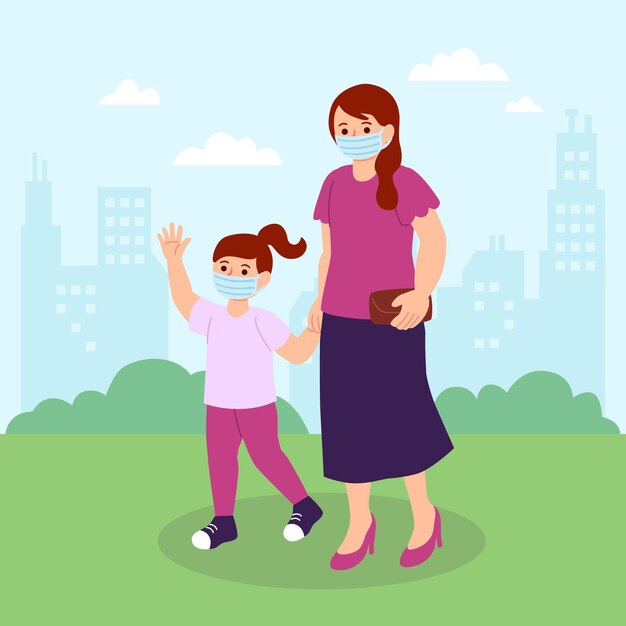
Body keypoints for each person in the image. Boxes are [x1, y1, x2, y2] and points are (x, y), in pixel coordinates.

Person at [308, 84, 454, 570]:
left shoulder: (405, 182)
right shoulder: (331, 184)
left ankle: (423, 517)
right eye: (343, 129)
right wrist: (318, 301)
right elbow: (329, 251)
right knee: (348, 423)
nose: (353, 136)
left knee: (401, 418)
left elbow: (433, 240)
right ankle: (359, 523)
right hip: (342, 321)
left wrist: (422, 292)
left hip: (394, 320)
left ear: (387, 131)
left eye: (363, 128)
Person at [158, 222, 323, 551]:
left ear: (262, 279)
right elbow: (184, 298)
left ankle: (305, 506)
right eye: (224, 268)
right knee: (219, 459)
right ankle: (224, 521)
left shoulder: (263, 320)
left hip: (256, 404)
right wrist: (174, 261)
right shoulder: (212, 315)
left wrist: (314, 327)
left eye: (243, 269)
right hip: (218, 403)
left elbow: (297, 353)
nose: (232, 275)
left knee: (266, 456)